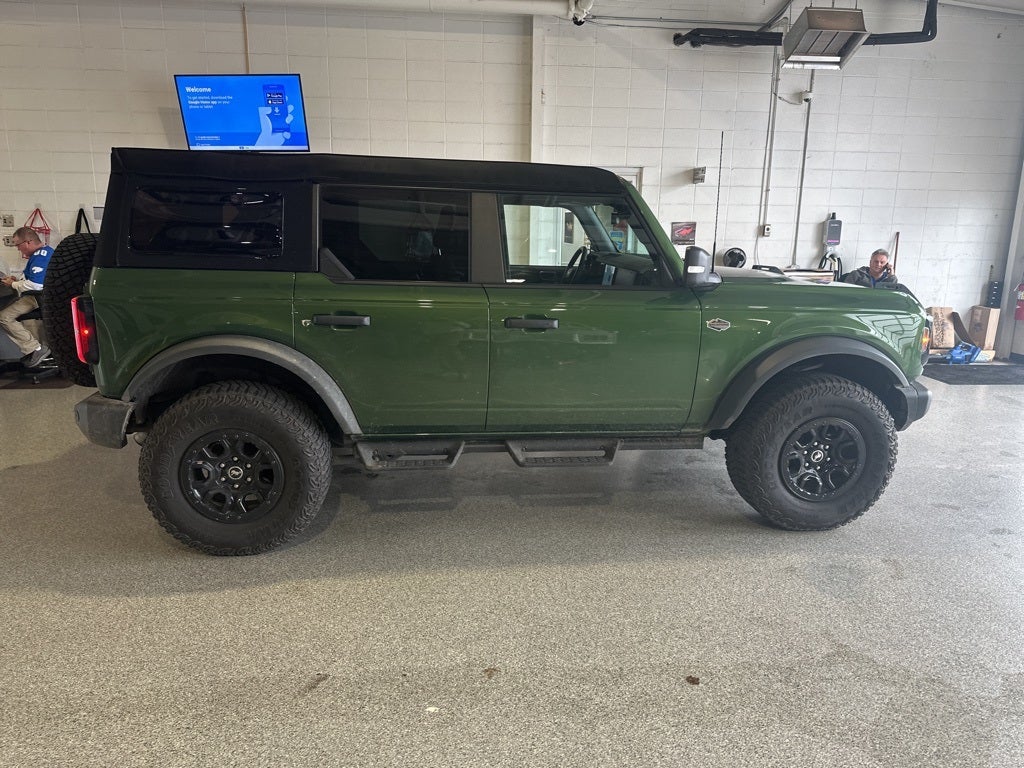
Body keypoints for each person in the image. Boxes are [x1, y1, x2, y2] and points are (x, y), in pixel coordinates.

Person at [0, 227, 54, 368]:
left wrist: (14, 284)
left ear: (28, 242)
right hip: (42, 297)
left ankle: (34, 349)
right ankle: (34, 349)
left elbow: (36, 285)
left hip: (37, 298)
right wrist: (16, 279)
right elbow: (33, 278)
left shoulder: (40, 257)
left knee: (4, 317)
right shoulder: (43, 253)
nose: (18, 249)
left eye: (18, 245)